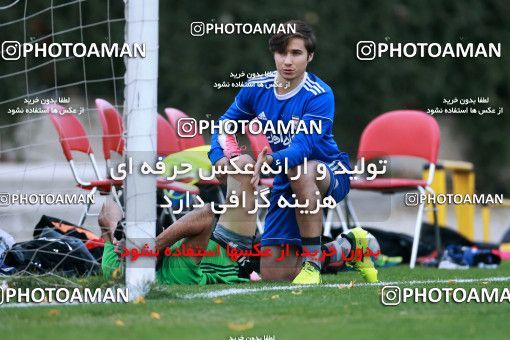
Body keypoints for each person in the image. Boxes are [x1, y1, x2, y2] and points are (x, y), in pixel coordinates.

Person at [208, 20, 378, 284]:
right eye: (281, 53)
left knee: (302, 168)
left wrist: (270, 161)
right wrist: (220, 157)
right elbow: (225, 125)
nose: (287, 61)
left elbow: (301, 149)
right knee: (275, 275)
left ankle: (312, 264)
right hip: (286, 178)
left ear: (309, 56)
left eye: (296, 53)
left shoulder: (319, 94)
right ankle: (350, 248)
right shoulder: (256, 88)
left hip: (328, 171)